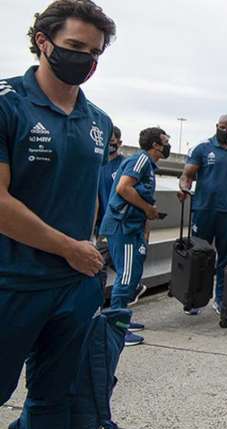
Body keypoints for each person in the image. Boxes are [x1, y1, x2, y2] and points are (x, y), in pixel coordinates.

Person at [0, 1, 115, 429]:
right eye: (75, 46)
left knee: (55, 400)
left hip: (73, 287)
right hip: (12, 281)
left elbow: (90, 196)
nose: (85, 59)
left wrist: (88, 256)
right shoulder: (7, 105)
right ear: (42, 42)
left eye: (95, 52)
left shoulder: (98, 121)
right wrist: (71, 249)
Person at [178, 115, 227, 315]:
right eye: (221, 127)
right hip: (203, 210)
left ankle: (221, 298)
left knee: (225, 258)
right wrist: (183, 188)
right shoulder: (202, 148)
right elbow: (187, 175)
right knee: (199, 256)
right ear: (216, 126)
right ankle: (194, 299)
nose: (223, 131)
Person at [99, 127, 170, 346]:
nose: (168, 145)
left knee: (132, 273)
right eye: (165, 141)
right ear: (155, 145)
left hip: (132, 227)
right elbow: (123, 188)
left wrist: (149, 212)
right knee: (127, 276)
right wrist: (147, 209)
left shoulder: (147, 165)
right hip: (123, 228)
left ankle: (123, 319)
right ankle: (117, 328)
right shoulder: (140, 161)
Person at [96, 125, 124, 233]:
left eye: (111, 140)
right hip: (100, 224)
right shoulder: (96, 164)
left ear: (119, 143)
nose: (108, 144)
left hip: (119, 225)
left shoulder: (125, 165)